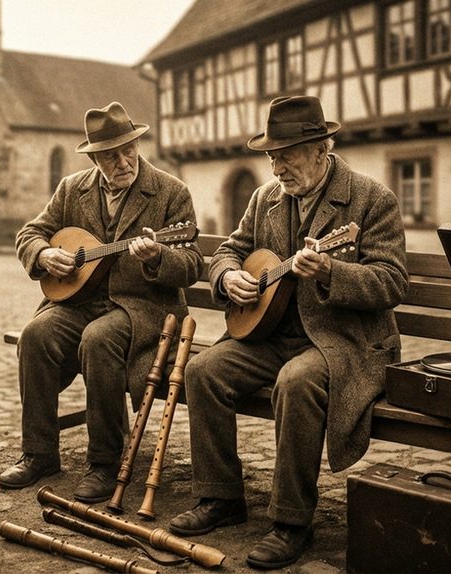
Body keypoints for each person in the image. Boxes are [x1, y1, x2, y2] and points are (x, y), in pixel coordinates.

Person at [168, 96, 407, 570]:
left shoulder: (372, 199)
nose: (277, 168)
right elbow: (229, 251)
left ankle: (291, 521)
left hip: (342, 342)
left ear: (321, 149)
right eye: (272, 157)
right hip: (272, 336)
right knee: (203, 371)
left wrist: (331, 271)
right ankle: (220, 497)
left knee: (296, 383)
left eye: (287, 156)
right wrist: (227, 276)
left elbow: (392, 282)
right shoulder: (265, 198)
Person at [0, 102, 204, 504]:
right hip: (80, 303)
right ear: (94, 159)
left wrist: (158, 257)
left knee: (98, 339)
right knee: (36, 335)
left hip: (142, 310)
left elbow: (192, 263)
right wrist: (43, 254)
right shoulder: (72, 189)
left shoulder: (170, 191)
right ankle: (39, 453)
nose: (123, 162)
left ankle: (105, 463)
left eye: (129, 150)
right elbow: (30, 233)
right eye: (111, 156)